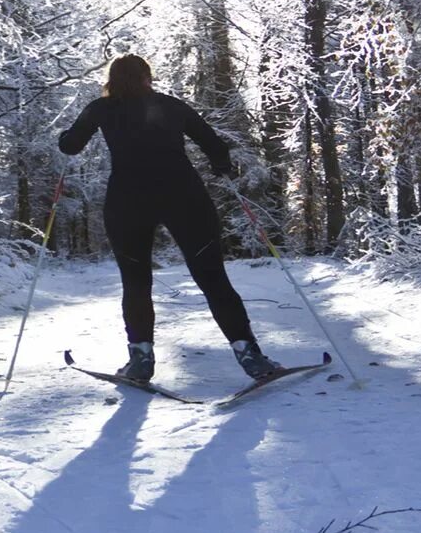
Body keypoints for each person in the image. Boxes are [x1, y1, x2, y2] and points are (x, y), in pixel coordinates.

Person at [58, 54, 279, 382]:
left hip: (127, 202)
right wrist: (221, 167)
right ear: (148, 77)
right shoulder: (172, 106)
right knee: (213, 278)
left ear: (111, 80)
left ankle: (141, 360)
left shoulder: (100, 109)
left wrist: (65, 135)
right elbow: (213, 144)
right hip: (185, 197)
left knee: (136, 282)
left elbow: (71, 146)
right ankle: (250, 355)